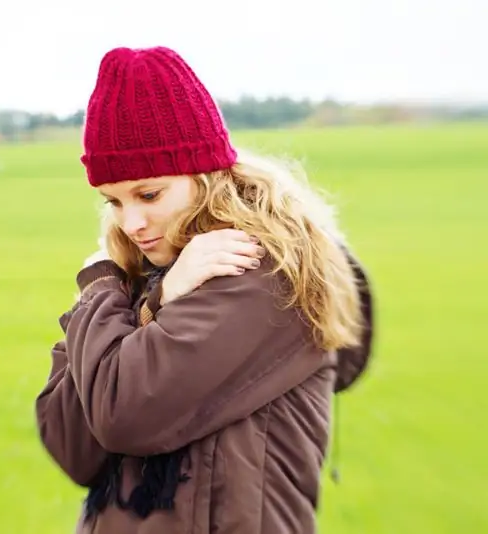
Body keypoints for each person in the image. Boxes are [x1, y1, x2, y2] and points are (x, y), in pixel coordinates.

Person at [34, 45, 375, 534]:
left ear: (205, 175)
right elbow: (73, 448)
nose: (132, 222)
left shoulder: (261, 273)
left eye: (149, 194)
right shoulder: (155, 273)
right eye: (113, 201)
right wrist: (153, 302)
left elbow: (120, 415)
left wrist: (100, 290)